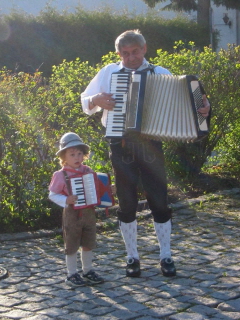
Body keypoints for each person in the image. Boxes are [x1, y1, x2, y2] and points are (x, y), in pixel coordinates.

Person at [81, 30, 211, 278]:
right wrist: (96, 98)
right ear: (118, 53)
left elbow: (188, 103)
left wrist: (205, 107)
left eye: (135, 52)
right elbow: (86, 102)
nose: (130, 58)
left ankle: (166, 255)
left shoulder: (160, 74)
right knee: (127, 203)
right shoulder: (109, 72)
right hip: (120, 144)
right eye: (125, 53)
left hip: (151, 145)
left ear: (144, 49)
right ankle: (132, 257)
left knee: (159, 201)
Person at [48, 132, 104, 287]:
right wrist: (66, 200)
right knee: (72, 244)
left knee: (88, 242)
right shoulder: (60, 175)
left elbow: (99, 190)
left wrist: (108, 190)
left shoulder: (88, 171)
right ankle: (71, 274)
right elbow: (52, 195)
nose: (77, 157)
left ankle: (87, 271)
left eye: (79, 154)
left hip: (89, 213)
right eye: (72, 154)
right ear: (64, 157)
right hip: (72, 214)